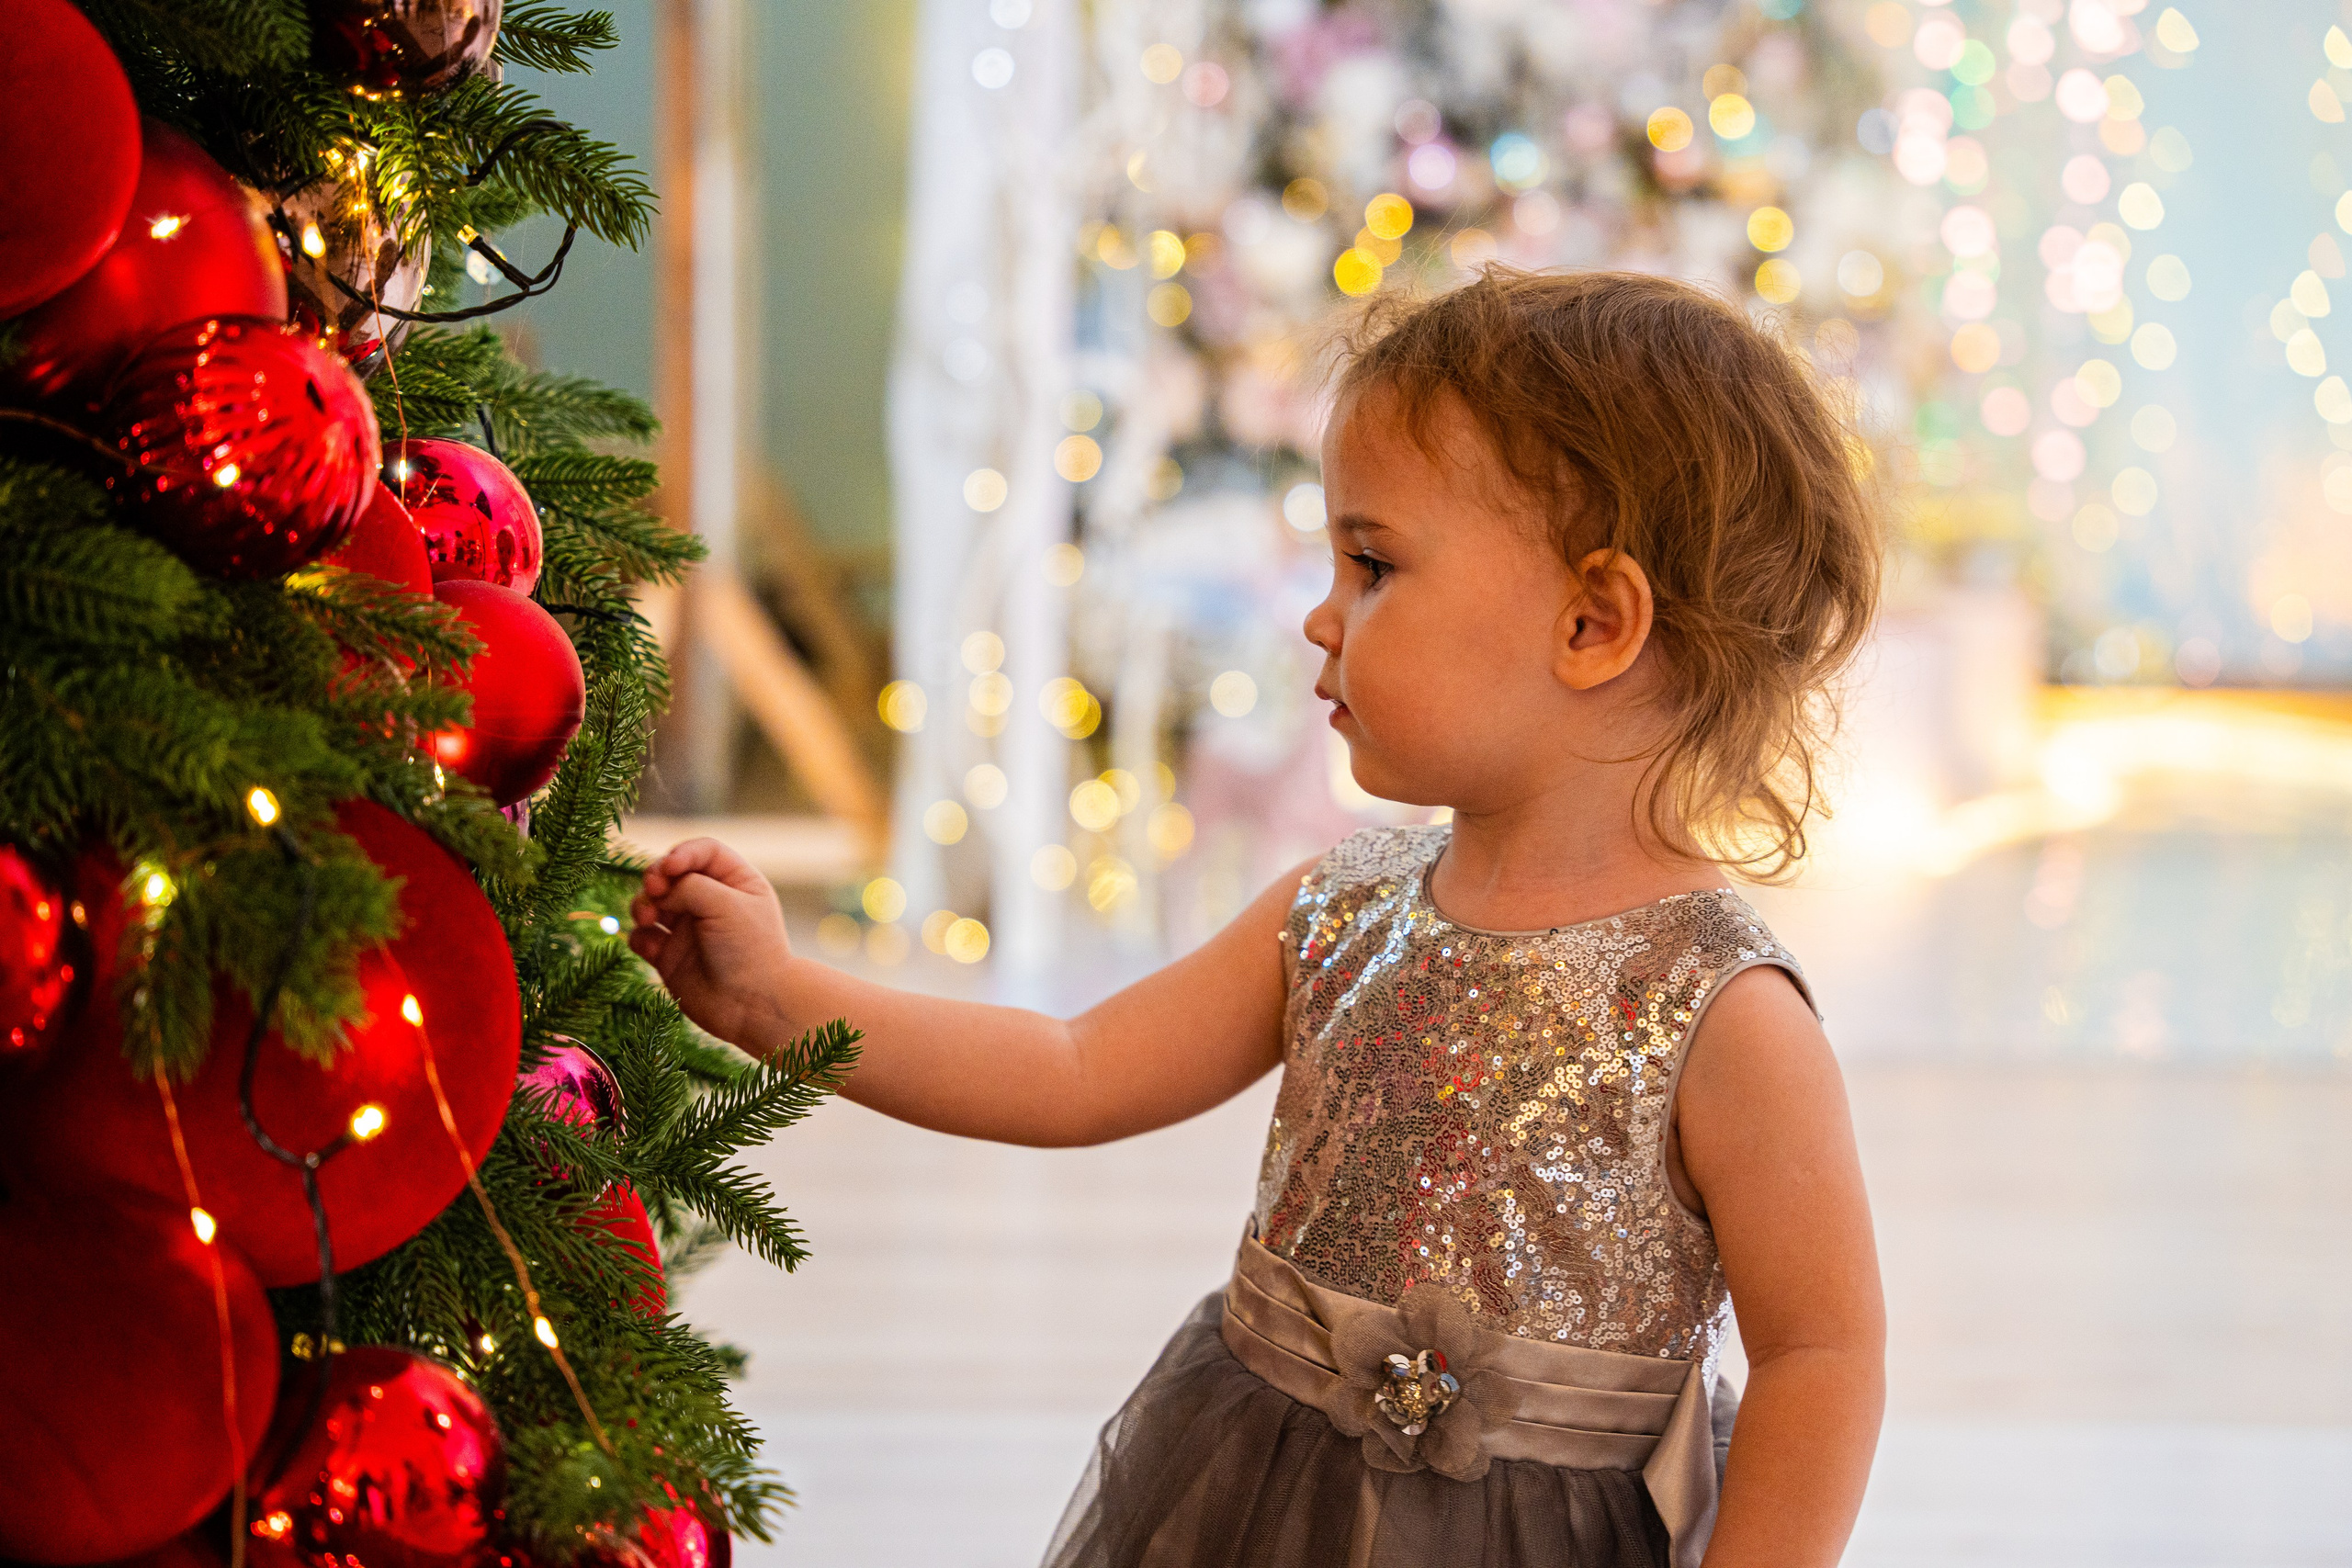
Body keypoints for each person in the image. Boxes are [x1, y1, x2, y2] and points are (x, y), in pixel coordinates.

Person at [629, 267, 1886, 1568]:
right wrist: (782, 1002)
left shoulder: (1722, 1014)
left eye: (1373, 564)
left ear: (1592, 620)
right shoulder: (1340, 913)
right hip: (1261, 1504)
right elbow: (1075, 1072)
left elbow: (1822, 1355)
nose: (1320, 616)